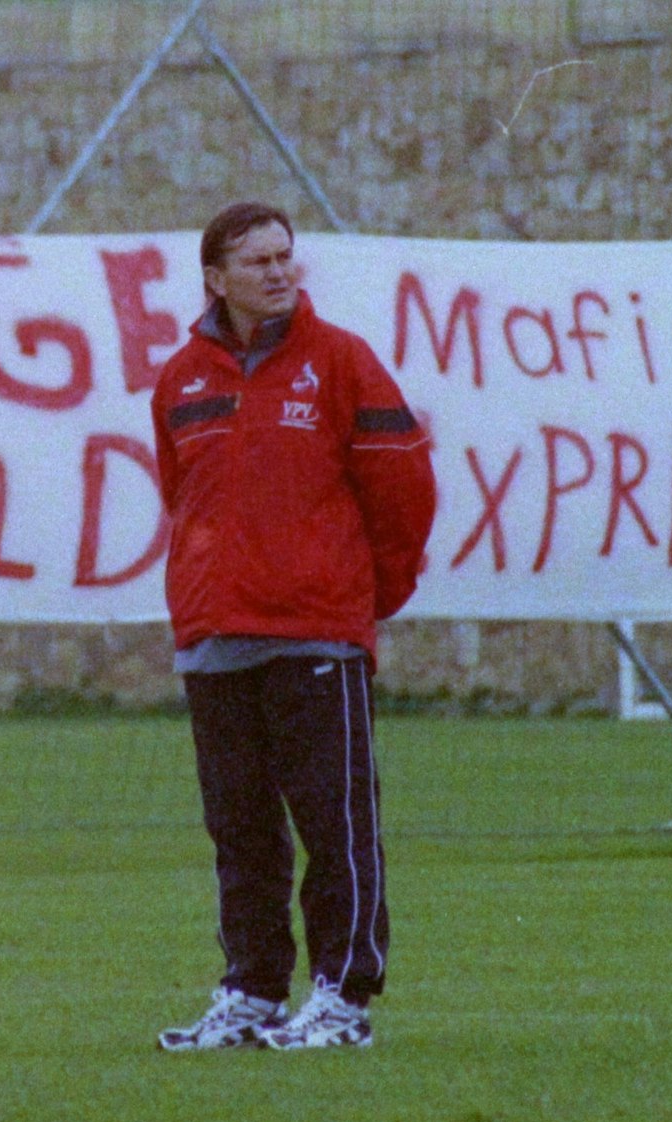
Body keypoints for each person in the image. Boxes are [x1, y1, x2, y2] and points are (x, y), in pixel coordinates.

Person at [150, 201, 437, 1051]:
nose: (278, 272)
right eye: (257, 261)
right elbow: (183, 497)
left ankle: (343, 997)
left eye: (285, 256)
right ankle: (251, 990)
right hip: (215, 636)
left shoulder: (342, 361)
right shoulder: (181, 379)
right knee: (239, 829)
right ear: (215, 278)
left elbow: (402, 490)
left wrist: (361, 597)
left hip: (315, 632)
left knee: (334, 823)